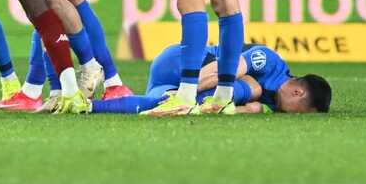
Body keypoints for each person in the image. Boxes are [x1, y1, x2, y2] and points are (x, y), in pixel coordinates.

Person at [91, 42, 331, 114]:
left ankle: (90, 106)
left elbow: (241, 109)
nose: (296, 116)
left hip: (165, 82)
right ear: (298, 93)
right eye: (302, 113)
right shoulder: (268, 61)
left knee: (156, 105)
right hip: (182, 62)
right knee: (248, 88)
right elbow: (224, 70)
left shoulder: (273, 105)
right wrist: (186, 93)